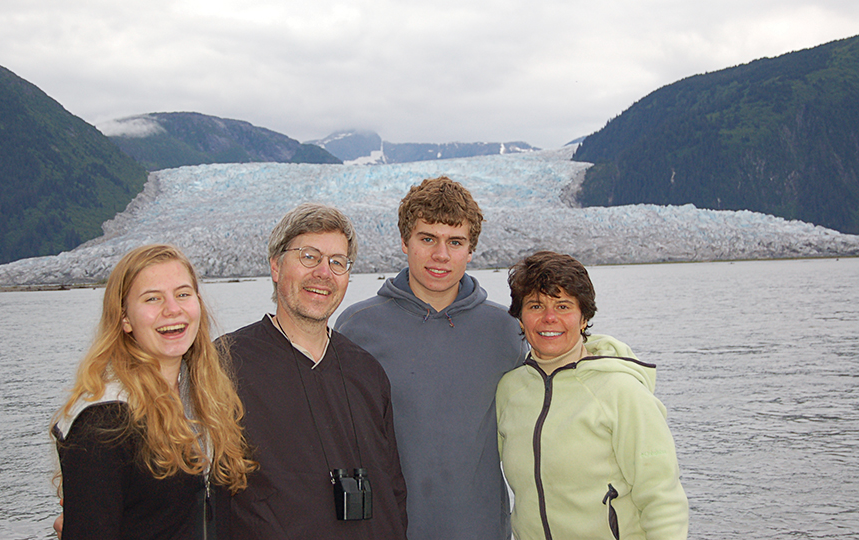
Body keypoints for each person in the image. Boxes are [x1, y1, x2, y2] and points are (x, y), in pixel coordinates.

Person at [334, 176, 526, 540]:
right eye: (428, 239)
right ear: (405, 242)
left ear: (470, 250)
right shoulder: (358, 328)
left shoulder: (506, 331)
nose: (441, 255)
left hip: (483, 531)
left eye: (455, 242)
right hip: (388, 530)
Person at [215, 203, 408, 539]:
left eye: (337, 262)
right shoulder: (224, 365)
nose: (324, 273)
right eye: (309, 256)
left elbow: (392, 488)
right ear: (276, 266)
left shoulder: (367, 372)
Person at [51, 244, 255, 539]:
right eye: (152, 298)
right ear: (124, 318)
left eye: (183, 294)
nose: (172, 309)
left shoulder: (206, 401)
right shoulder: (104, 420)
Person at [496, 250, 689, 540]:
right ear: (520, 318)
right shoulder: (510, 390)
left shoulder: (621, 392)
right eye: (536, 306)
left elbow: (662, 498)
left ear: (584, 317)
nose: (549, 318)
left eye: (563, 306)